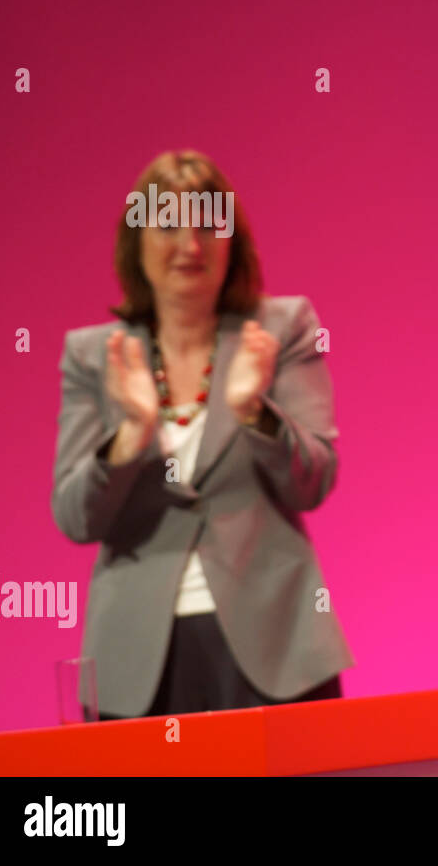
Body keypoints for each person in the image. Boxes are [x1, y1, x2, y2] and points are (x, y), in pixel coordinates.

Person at [51, 149, 354, 720]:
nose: (190, 244)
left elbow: (312, 481)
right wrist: (131, 435)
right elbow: (75, 517)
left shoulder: (281, 329)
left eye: (208, 223)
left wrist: (253, 412)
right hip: (137, 660)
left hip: (275, 648)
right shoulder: (94, 356)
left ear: (231, 241)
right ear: (136, 241)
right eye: (169, 224)